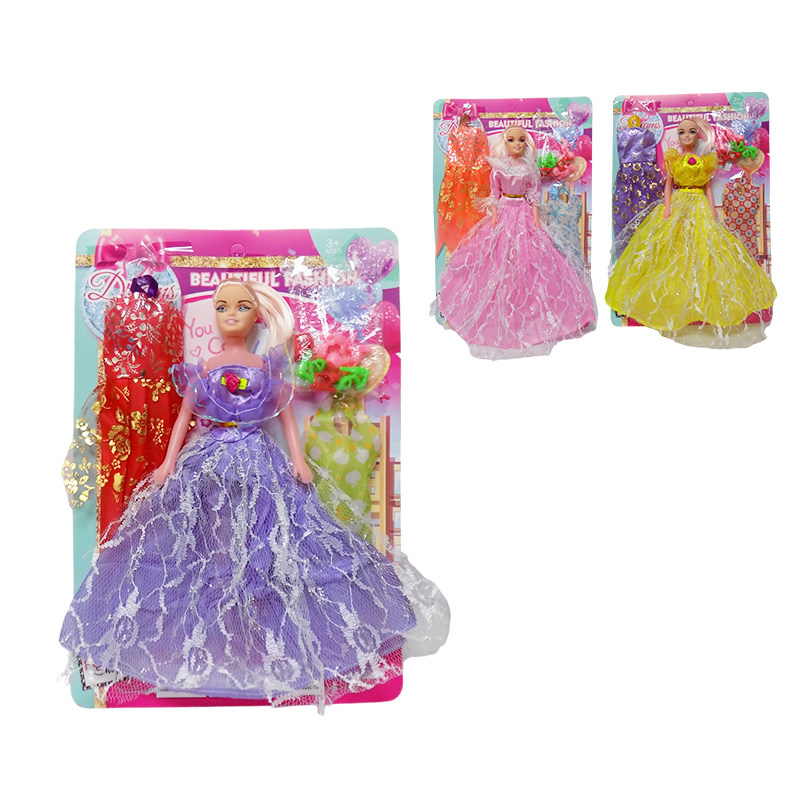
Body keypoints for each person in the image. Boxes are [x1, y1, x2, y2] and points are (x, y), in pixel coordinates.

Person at [61, 280, 449, 708]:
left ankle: (264, 625)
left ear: (256, 315)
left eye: (241, 306)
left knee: (272, 534)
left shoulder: (266, 365)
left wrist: (298, 460)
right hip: (210, 459)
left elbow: (284, 417)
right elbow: (185, 415)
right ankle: (204, 632)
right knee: (202, 540)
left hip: (256, 456)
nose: (231, 314)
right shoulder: (205, 366)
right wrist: (169, 463)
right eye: (223, 307)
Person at [606, 117, 777, 340]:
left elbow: (708, 187)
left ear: (698, 135)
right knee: (671, 244)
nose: (686, 136)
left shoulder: (706, 161)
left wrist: (712, 209)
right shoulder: (674, 158)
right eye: (682, 132)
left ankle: (701, 298)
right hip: (679, 202)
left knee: (704, 244)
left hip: (698, 203)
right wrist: (667, 208)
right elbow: (668, 185)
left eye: (691, 132)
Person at [436, 125, 596, 359]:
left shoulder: (529, 169)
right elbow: (494, 194)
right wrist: (494, 216)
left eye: (521, 140)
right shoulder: (498, 168)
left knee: (531, 257)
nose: (517, 144)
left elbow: (533, 195)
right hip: (504, 212)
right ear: (505, 143)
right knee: (496, 258)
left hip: (523, 212)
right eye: (512, 140)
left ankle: (532, 311)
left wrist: (535, 219)